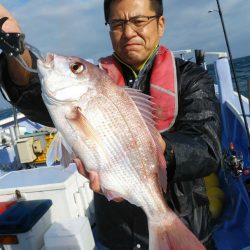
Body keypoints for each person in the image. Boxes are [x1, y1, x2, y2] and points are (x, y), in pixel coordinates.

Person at [0, 0, 221, 249]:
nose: (128, 32)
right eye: (118, 23)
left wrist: (159, 150)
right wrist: (15, 47)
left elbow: (207, 149)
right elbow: (29, 93)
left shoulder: (193, 79)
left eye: (139, 21)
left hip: (189, 224)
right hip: (118, 237)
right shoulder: (93, 81)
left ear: (160, 24)